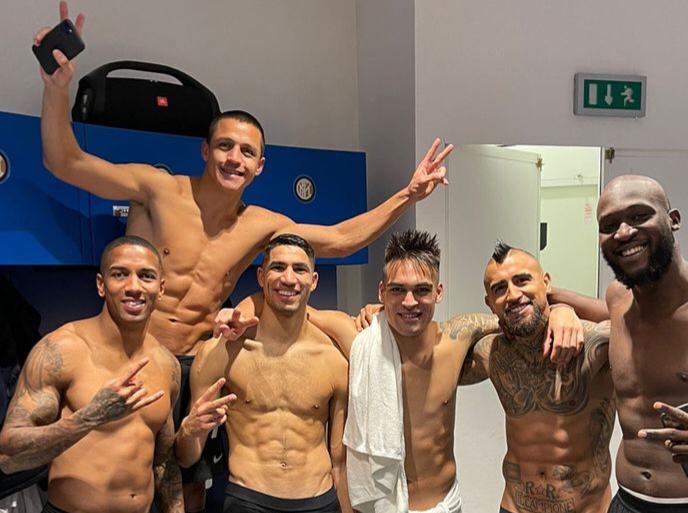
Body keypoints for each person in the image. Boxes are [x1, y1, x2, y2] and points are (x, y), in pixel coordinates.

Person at [35, 3, 452, 507]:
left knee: (191, 486)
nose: (235, 158)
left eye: (247, 152)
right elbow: (65, 160)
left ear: (260, 166)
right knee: (128, 474)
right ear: (206, 152)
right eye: (225, 147)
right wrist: (56, 89)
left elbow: (342, 239)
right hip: (141, 356)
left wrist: (408, 194)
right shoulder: (157, 189)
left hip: (198, 362)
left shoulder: (260, 225)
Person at [230, 229, 582, 513]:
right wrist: (240, 308)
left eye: (421, 291)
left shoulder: (458, 338)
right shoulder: (357, 336)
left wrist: (561, 311)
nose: (410, 302)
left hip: (442, 504)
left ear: (439, 292)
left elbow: (519, 316)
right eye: (398, 290)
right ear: (382, 291)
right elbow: (287, 300)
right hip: (377, 505)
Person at [593, 175, 688, 512]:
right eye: (609, 225)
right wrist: (558, 305)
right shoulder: (617, 299)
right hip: (628, 502)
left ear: (673, 220)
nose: (623, 232)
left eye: (639, 215)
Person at [0, 235, 183, 513]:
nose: (134, 287)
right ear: (101, 284)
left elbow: (164, 463)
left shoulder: (167, 364)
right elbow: (8, 458)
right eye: (120, 274)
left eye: (146, 276)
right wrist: (88, 419)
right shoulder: (61, 350)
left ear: (161, 288)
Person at [175, 234, 351, 513]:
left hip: (320, 500)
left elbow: (339, 462)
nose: (289, 279)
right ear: (261, 276)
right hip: (248, 500)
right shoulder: (221, 353)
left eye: (300, 269)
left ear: (314, 280)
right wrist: (187, 431)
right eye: (278, 267)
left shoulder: (334, 359)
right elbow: (187, 458)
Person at [460, 241, 613, 513]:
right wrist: (384, 316)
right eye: (499, 289)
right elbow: (432, 358)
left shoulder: (593, 342)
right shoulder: (491, 353)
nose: (513, 294)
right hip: (515, 507)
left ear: (546, 283)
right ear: (490, 304)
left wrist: (564, 306)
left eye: (522, 280)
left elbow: (641, 319)